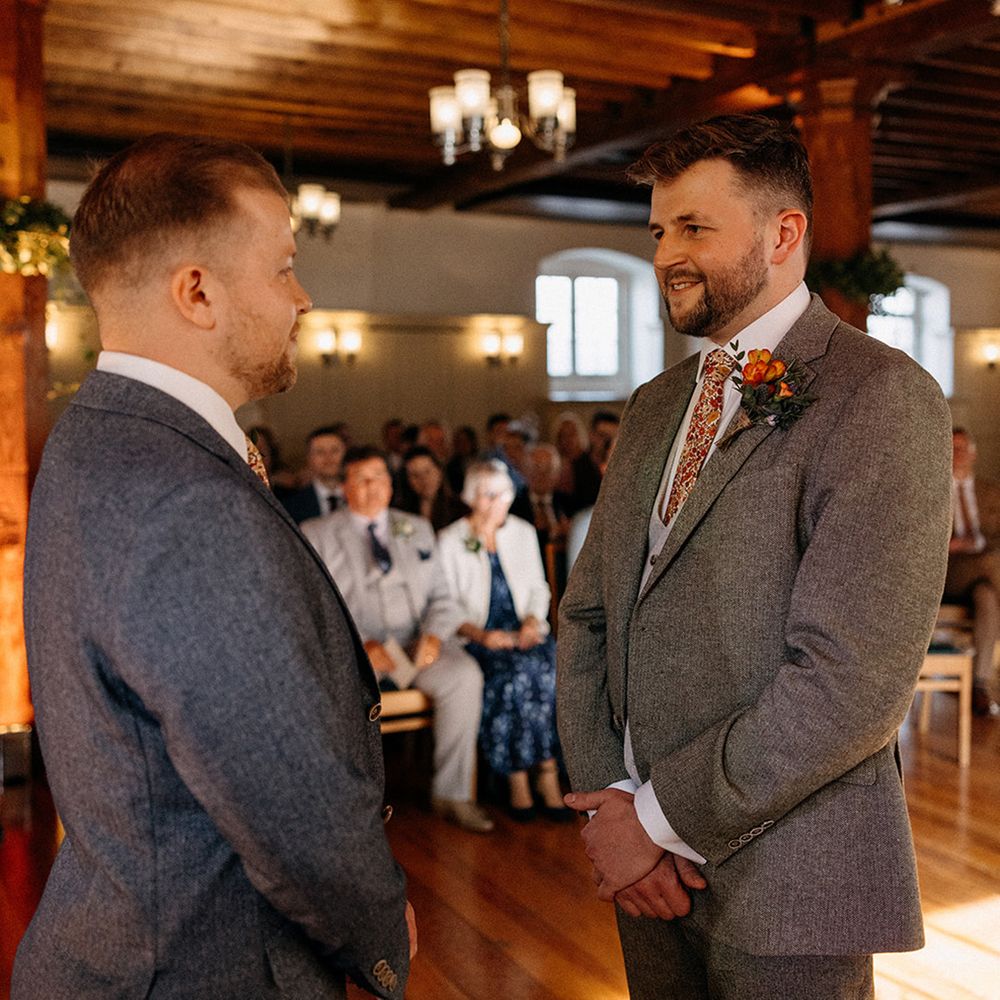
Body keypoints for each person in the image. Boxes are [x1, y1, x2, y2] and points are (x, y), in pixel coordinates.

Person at [556, 114, 953, 1000]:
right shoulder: (659, 404)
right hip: (644, 871)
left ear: (784, 234)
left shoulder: (881, 397)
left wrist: (658, 818)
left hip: (791, 876)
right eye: (658, 232)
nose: (666, 255)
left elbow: (849, 681)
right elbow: (587, 616)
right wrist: (610, 805)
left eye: (695, 228)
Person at [14, 134, 413, 999]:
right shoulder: (184, 497)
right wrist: (382, 927)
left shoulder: (98, 437)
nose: (304, 299)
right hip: (204, 965)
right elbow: (286, 802)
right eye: (282, 268)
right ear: (197, 292)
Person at [302, 446, 494, 834]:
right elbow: (313, 609)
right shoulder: (317, 534)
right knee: (334, 690)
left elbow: (443, 597)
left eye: (381, 478)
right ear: (345, 487)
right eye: (363, 479)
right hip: (358, 652)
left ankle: (452, 794)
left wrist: (435, 636)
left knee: (464, 675)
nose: (375, 487)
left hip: (414, 646)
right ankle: (351, 810)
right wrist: (358, 645)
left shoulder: (415, 528)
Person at [437, 461, 571, 823]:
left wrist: (531, 621)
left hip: (522, 631)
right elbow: (443, 604)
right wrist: (482, 635)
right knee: (513, 675)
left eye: (503, 494)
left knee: (549, 666)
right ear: (471, 497)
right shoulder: (450, 540)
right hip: (478, 638)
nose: (498, 502)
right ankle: (515, 777)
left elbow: (538, 590)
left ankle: (546, 773)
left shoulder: (522, 532)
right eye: (488, 495)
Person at [945, 427, 1000, 715]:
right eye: (953, 447)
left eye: (964, 447)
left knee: (988, 598)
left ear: (974, 453)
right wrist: (951, 545)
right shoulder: (934, 490)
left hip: (983, 576)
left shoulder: (991, 492)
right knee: (993, 566)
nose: (959, 453)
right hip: (949, 573)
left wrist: (980, 545)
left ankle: (979, 685)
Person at [276, 424, 348, 523]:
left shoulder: (363, 497)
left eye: (334, 450)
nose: (328, 458)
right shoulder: (291, 507)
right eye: (320, 452)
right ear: (309, 459)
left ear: (346, 455)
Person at [397, 445, 469, 532]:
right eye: (415, 475)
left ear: (439, 471)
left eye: (427, 471)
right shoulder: (401, 513)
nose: (423, 479)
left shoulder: (460, 510)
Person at [565, 410, 619, 515]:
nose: (607, 442)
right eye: (602, 435)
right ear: (591, 435)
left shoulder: (621, 470)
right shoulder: (575, 467)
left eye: (613, 437)